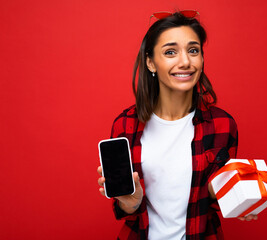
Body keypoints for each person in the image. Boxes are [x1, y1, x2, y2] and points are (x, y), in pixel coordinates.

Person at [97, 10, 257, 240]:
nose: (185, 62)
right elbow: (125, 209)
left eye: (193, 50)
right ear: (151, 63)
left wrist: (240, 200)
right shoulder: (125, 125)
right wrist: (130, 203)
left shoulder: (223, 125)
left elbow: (212, 201)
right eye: (170, 52)